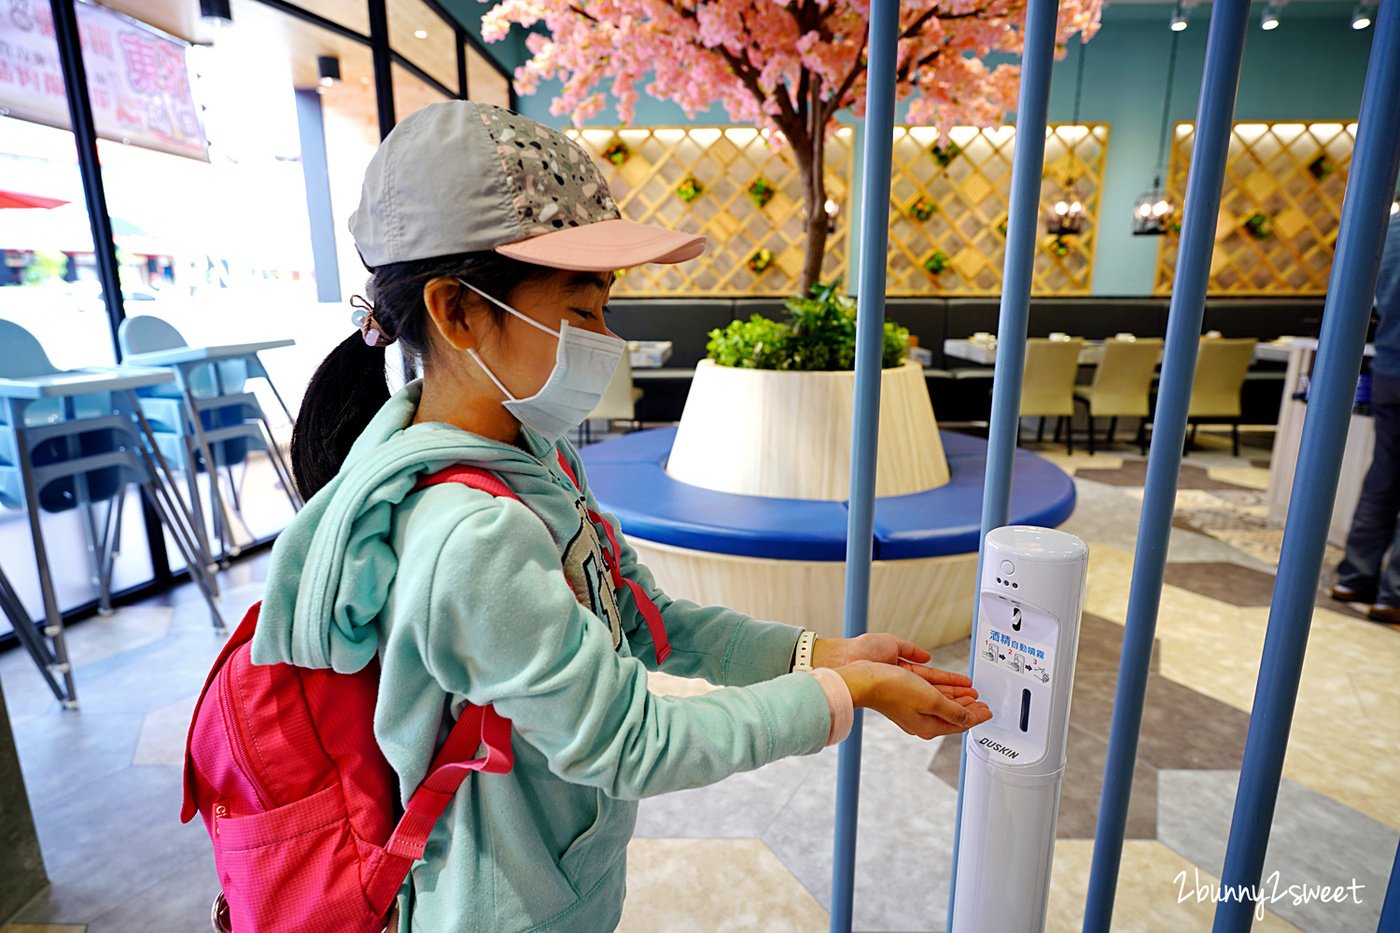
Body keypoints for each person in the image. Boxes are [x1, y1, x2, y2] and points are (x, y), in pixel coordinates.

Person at [251, 101, 992, 933]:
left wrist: (816, 650)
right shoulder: (469, 534)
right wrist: (841, 691)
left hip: (565, 883)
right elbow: (628, 739)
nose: (607, 337)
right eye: (582, 309)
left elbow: (644, 619)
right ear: (457, 313)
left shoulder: (536, 454)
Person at [1332, 209, 1400, 625]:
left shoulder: (1389, 225)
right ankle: (1394, 593)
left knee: (1385, 475)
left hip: (1390, 367)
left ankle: (1354, 576)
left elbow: (1371, 297)